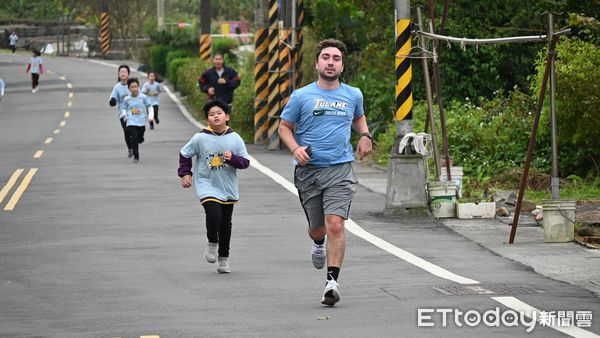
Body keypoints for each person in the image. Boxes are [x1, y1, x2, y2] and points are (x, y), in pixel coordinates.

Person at [278, 38, 372, 306]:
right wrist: (295, 149)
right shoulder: (301, 96)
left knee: (335, 224)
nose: (331, 62)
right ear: (317, 63)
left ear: (342, 65)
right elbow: (284, 127)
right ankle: (318, 244)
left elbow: (358, 117)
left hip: (340, 169)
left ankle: (332, 282)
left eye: (336, 59)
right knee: (317, 229)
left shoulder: (353, 94)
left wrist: (365, 135)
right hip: (309, 172)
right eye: (326, 57)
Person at [178, 99, 250, 274]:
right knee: (213, 214)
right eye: (211, 114)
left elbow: (245, 162)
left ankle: (223, 258)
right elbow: (184, 153)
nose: (215, 116)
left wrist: (232, 158)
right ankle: (212, 242)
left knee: (226, 224)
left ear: (227, 116)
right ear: (207, 119)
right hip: (206, 183)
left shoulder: (235, 138)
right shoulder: (200, 138)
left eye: (219, 113)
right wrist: (185, 173)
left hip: (227, 187)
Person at [121, 78, 154, 163]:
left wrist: (151, 116)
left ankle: (141, 138)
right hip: (131, 121)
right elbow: (124, 108)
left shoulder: (143, 97)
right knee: (134, 137)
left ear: (138, 87)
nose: (134, 89)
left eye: (135, 87)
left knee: (140, 138)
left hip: (141, 122)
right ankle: (136, 156)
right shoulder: (127, 99)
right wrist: (124, 115)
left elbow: (150, 106)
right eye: (132, 87)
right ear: (129, 88)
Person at [109, 65, 132, 157]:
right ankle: (130, 149)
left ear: (128, 74)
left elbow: (140, 95)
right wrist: (113, 101)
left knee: (134, 132)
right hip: (123, 113)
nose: (123, 73)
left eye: (125, 72)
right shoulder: (117, 87)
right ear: (119, 74)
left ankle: (135, 142)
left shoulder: (132, 85)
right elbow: (112, 98)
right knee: (127, 131)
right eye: (121, 72)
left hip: (134, 111)